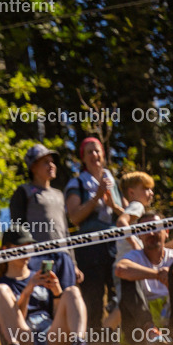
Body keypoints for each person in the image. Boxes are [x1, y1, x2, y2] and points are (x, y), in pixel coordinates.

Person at [0, 228, 96, 345]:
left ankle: (79, 344)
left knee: (72, 291)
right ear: (6, 249)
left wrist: (57, 292)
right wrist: (27, 292)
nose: (26, 251)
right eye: (20, 246)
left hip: (51, 336)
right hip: (24, 340)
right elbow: (14, 321)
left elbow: (56, 315)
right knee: (1, 290)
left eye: (28, 246)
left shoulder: (39, 276)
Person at [64, 137, 126, 332]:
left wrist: (112, 205)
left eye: (97, 151)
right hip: (89, 247)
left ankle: (119, 335)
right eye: (89, 152)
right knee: (93, 294)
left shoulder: (112, 180)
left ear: (103, 154)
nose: (94, 155)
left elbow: (125, 213)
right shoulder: (77, 183)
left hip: (115, 243)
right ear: (83, 157)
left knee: (120, 289)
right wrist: (96, 197)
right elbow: (74, 217)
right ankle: (95, 340)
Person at [114, 212, 173, 344]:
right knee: (126, 279)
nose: (151, 233)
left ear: (166, 231)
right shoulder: (135, 256)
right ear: (139, 235)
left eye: (155, 228)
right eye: (145, 229)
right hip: (140, 326)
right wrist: (157, 274)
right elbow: (120, 269)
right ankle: (151, 331)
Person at [11, 144, 70, 247]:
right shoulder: (24, 191)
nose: (51, 165)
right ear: (33, 167)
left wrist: (72, 260)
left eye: (52, 162)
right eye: (46, 162)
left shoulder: (59, 194)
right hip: (38, 254)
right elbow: (18, 228)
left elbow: (65, 229)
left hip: (62, 254)